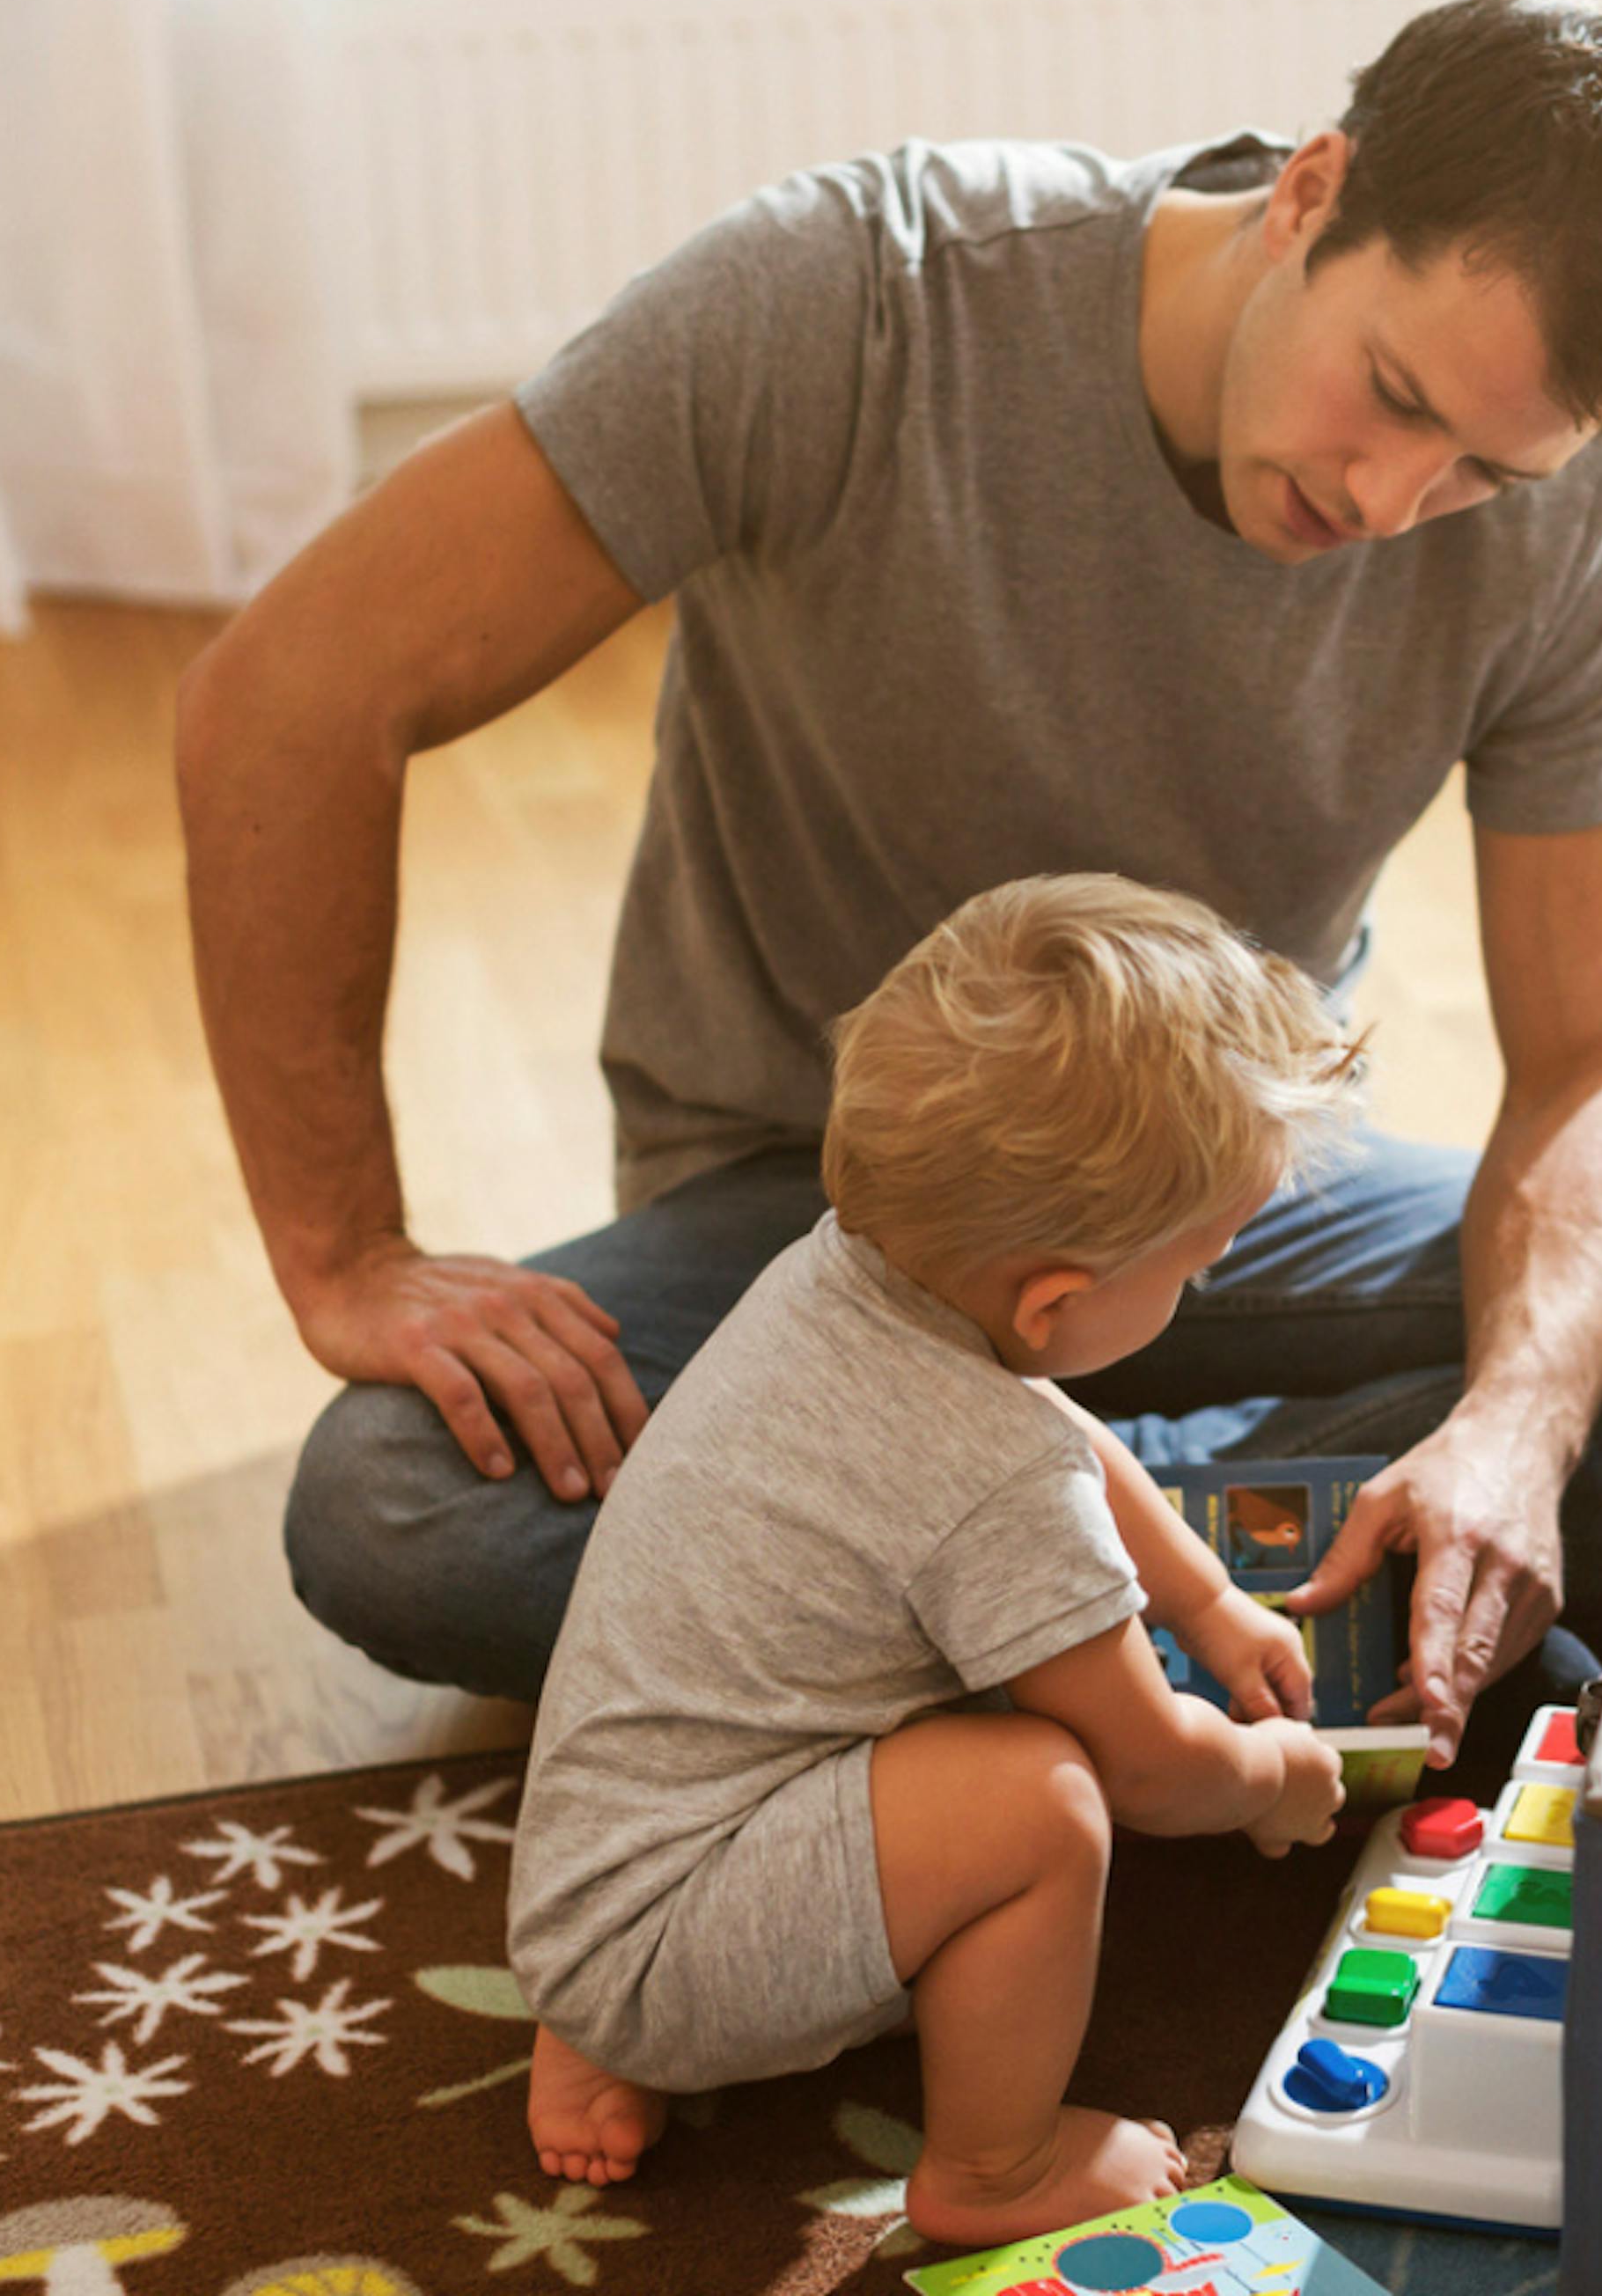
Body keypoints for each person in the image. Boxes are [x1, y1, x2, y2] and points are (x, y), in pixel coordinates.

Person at [174, 0, 1602, 1782]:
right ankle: (1190, 1594)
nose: (1397, 499)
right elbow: (288, 699)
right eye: (1394, 396)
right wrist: (350, 1257)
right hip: (829, 1219)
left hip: (1220, 1202)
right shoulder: (859, 301)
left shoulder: (1582, 513)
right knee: (394, 1507)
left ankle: (1055, 1602)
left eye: (1483, 470)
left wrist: (1516, 1436)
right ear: (1313, 192)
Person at [510, 876, 1356, 2240]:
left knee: (951, 1726)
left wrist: (1203, 1602)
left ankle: (610, 2023)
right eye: (1197, 1266)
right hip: (669, 1936)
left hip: (597, 1878)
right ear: (1056, 1299)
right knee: (1042, 1800)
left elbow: (1050, 1423)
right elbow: (1149, 1769)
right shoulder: (993, 1482)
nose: (1203, 1282)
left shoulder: (849, 1275)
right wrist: (1270, 1778)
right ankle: (992, 2168)